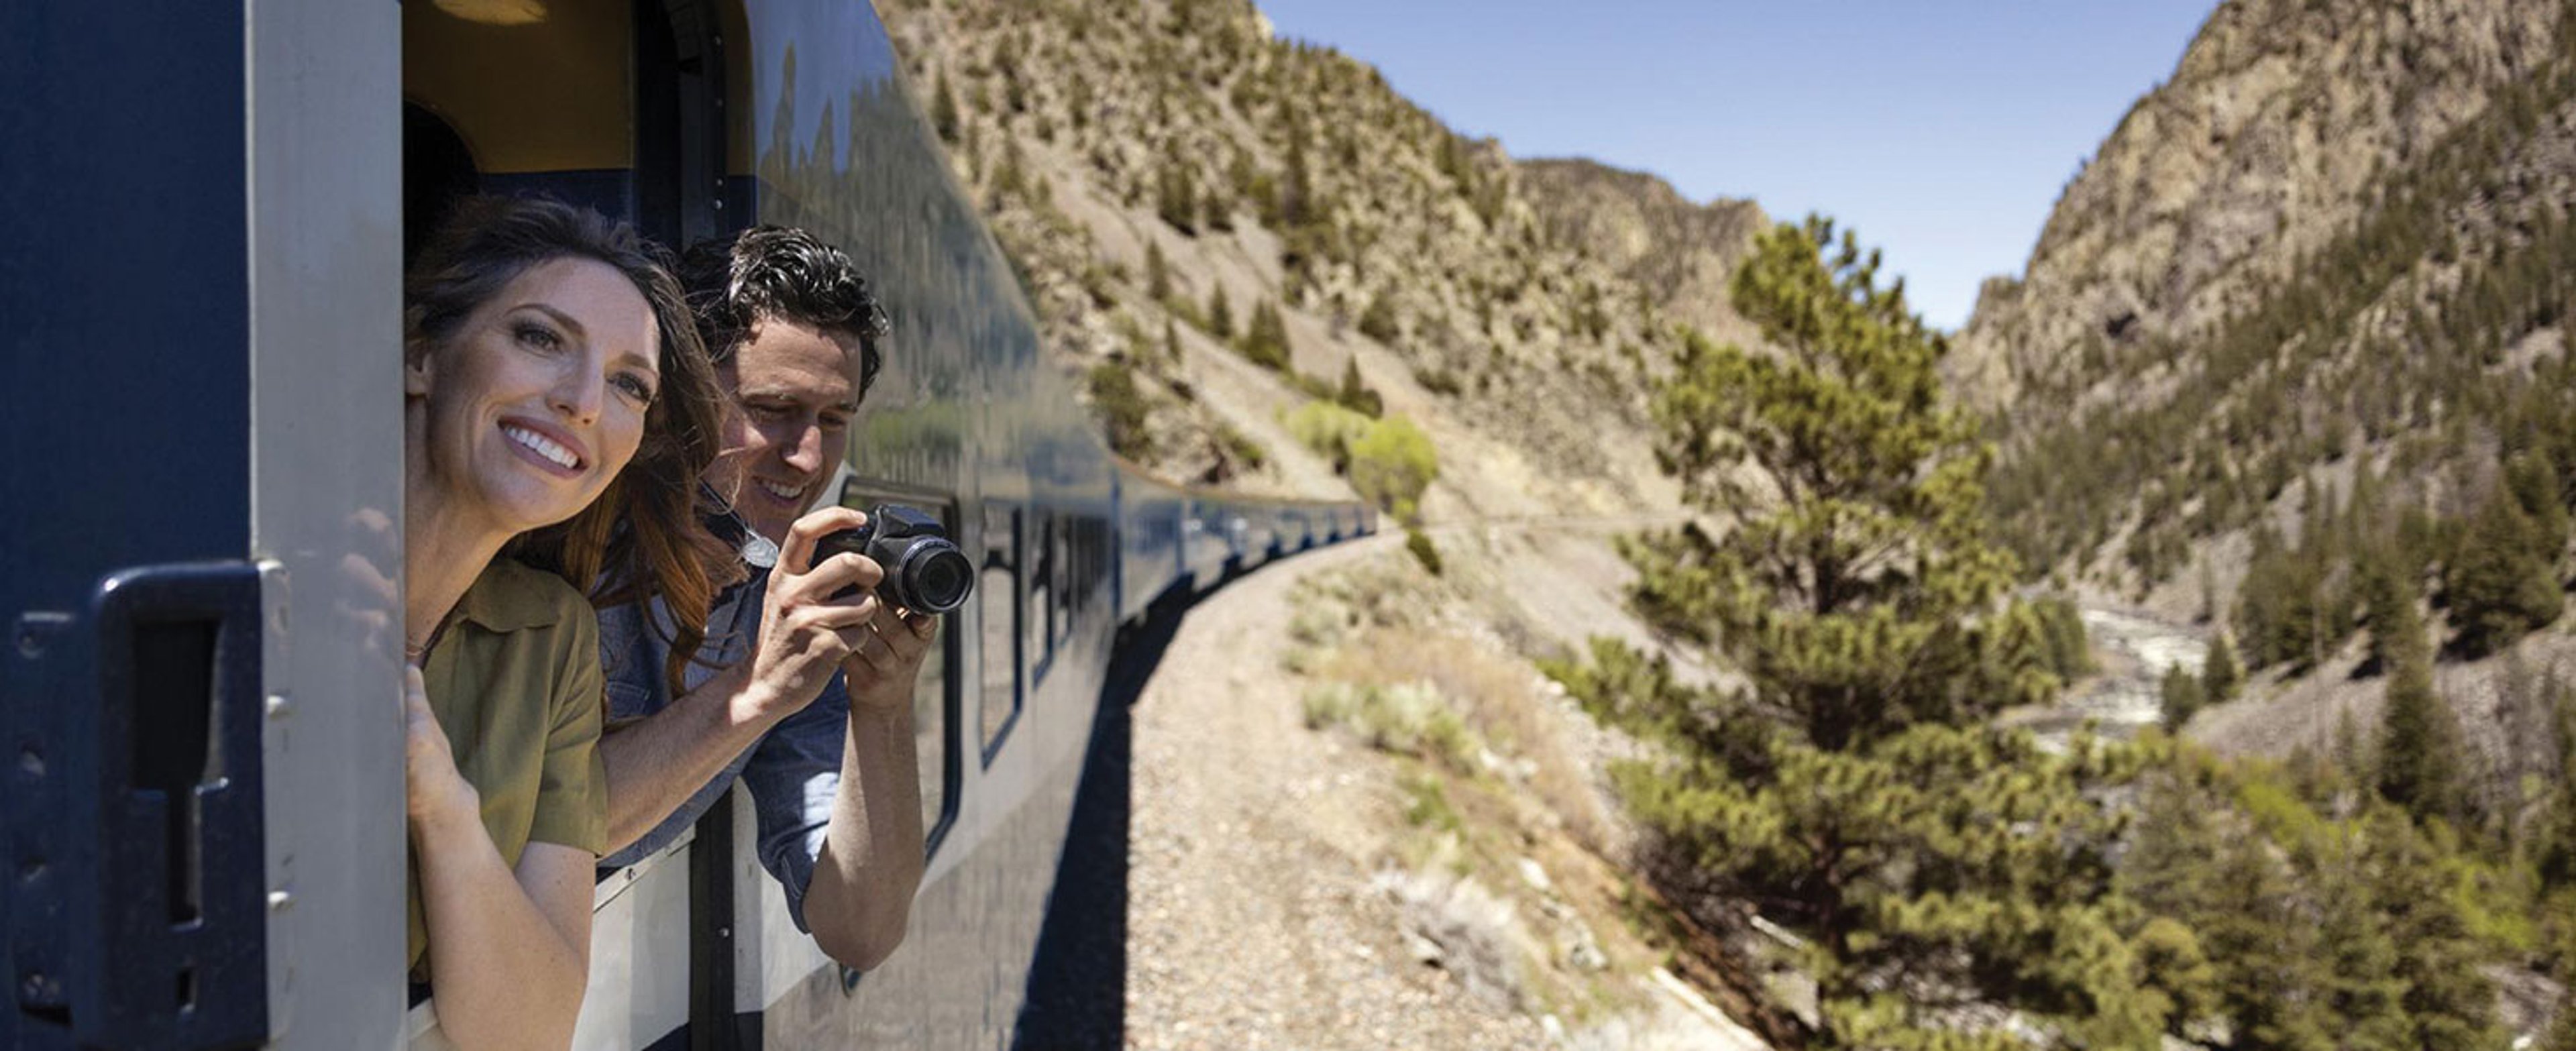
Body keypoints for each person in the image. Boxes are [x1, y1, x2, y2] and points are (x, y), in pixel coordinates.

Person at [400, 196, 734, 1050]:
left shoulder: (554, 638)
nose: (585, 401)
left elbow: (532, 1027)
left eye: (630, 384)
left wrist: (440, 803)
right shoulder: (267, 586)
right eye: (541, 337)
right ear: (420, 354)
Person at [595, 225, 936, 970]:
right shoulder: (564, 546)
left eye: (834, 421)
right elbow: (565, 823)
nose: (810, 456)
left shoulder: (776, 598)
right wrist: (759, 688)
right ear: (676, 397)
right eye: (773, 409)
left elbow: (863, 931)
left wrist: (882, 707)